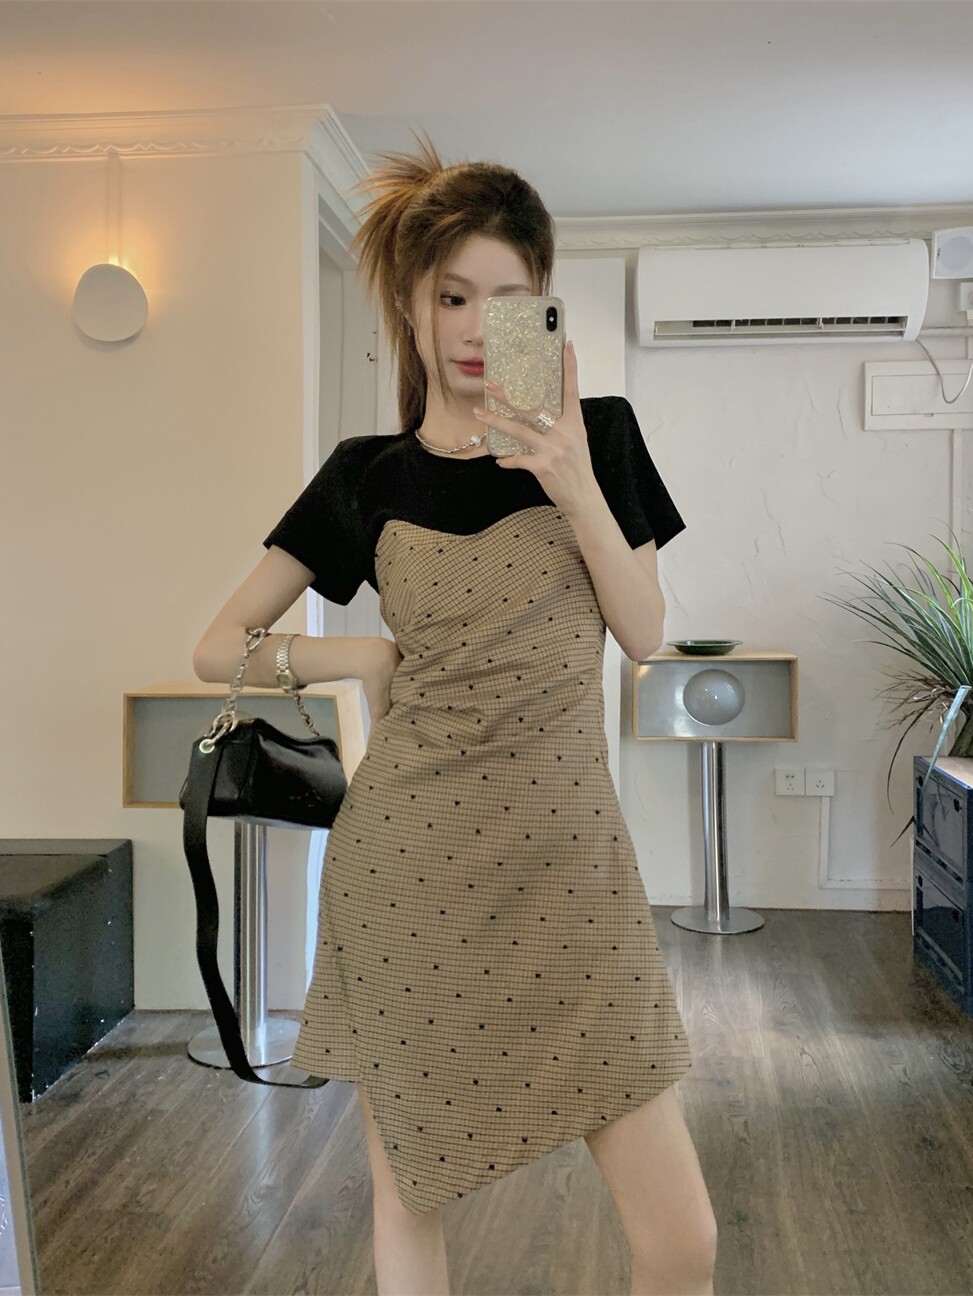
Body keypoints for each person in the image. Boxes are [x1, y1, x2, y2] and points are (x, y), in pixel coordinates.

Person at [193, 136, 718, 1296]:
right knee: (410, 1196)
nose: (480, 326)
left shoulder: (600, 436)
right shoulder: (365, 474)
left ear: (544, 308)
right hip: (408, 871)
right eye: (453, 296)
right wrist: (356, 654)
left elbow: (642, 632)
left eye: (509, 298)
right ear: (411, 308)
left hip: (572, 873)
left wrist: (569, 479)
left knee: (682, 1241)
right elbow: (216, 646)